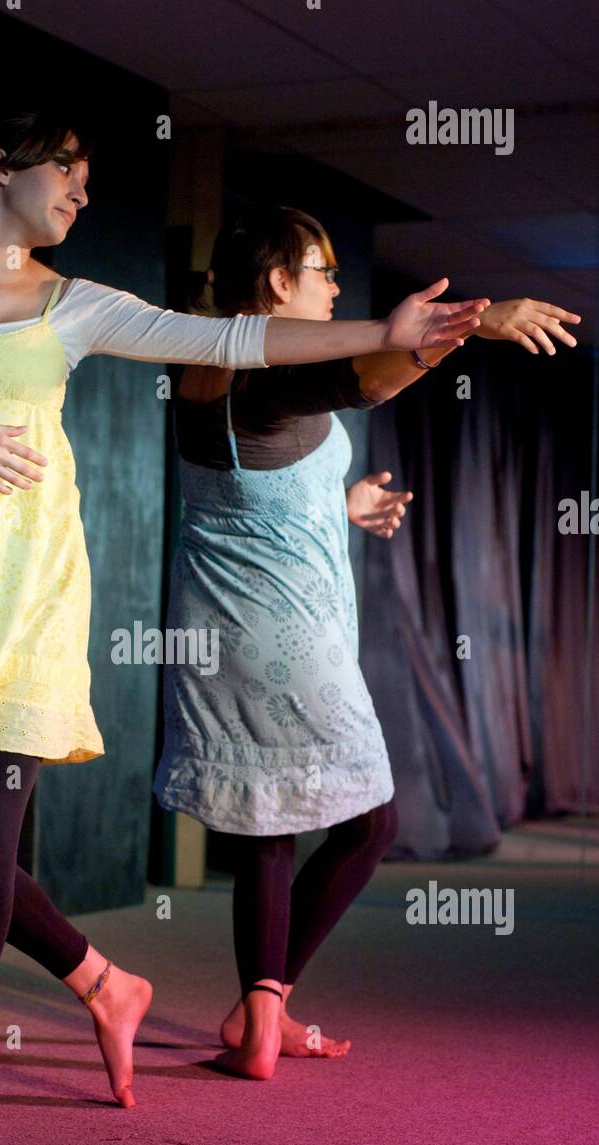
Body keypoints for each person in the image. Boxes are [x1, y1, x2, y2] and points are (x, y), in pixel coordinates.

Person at [0, 110, 489, 1139]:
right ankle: (104, 978)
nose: (79, 192)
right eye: (66, 169)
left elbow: (230, 338)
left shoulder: (71, 305)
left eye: (86, 176)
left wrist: (381, 336)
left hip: (32, 602)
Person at [153, 203, 580, 1080]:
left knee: (270, 822)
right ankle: (263, 1008)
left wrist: (340, 505)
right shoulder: (262, 366)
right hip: (284, 634)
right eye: (323, 270)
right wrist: (477, 322)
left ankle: (256, 1018)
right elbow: (374, 379)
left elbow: (245, 488)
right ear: (277, 282)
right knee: (372, 819)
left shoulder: (202, 365)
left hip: (216, 628)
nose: (338, 285)